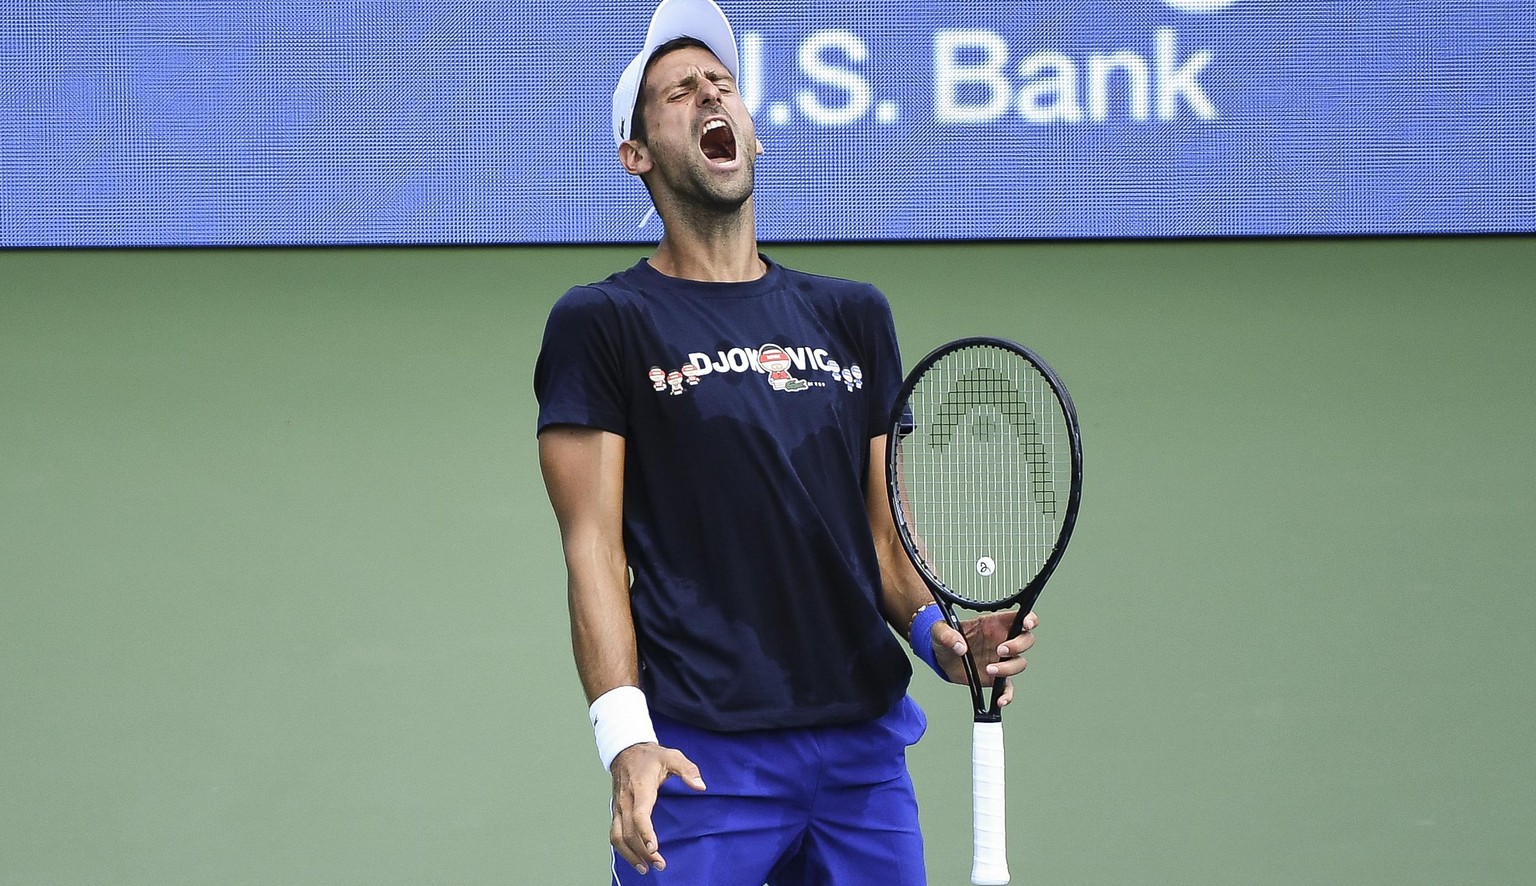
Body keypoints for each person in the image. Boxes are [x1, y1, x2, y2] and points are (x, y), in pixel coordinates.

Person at [533, 1, 1038, 882]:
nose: (708, 95)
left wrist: (940, 637)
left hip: (861, 761)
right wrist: (625, 741)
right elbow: (593, 548)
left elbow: (886, 540)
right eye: (679, 92)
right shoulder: (604, 323)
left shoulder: (852, 315)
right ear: (637, 154)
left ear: (752, 136)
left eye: (721, 84)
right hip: (699, 758)